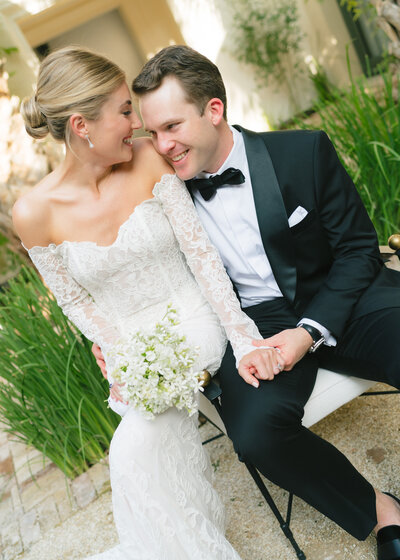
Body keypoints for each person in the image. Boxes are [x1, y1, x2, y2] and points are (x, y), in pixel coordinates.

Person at [95, 45, 400, 559]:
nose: (162, 146)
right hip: (249, 326)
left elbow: (355, 251)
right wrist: (117, 340)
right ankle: (382, 511)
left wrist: (307, 333)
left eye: (172, 126)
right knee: (256, 436)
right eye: (152, 132)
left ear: (214, 110)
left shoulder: (304, 152)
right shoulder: (159, 195)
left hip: (338, 297)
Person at [12, 46, 283, 560]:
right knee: (138, 451)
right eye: (123, 111)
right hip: (132, 346)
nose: (136, 125)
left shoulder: (147, 163)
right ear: (81, 125)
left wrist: (243, 334)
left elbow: (202, 257)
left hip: (194, 318)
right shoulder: (33, 213)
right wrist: (118, 356)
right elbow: (73, 302)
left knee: (133, 447)